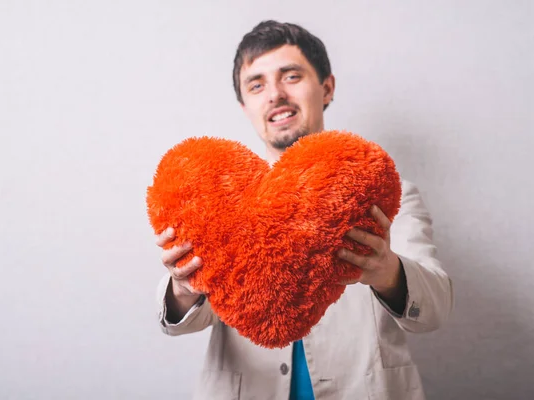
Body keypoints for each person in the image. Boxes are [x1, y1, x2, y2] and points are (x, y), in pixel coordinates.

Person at [155, 20, 453, 400]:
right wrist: (184, 287)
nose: (275, 94)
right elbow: (176, 325)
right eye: (257, 85)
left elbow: (436, 309)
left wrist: (388, 271)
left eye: (291, 76)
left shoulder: (385, 197)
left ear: (326, 88)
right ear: (245, 105)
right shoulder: (215, 198)